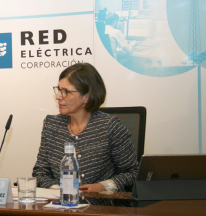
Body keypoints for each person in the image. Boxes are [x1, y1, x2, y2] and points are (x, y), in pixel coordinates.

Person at [32, 63, 138, 192]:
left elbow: (133, 172)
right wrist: (59, 190)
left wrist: (103, 186)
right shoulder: (52, 125)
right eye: (59, 90)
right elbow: (40, 173)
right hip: (59, 206)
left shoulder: (109, 127)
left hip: (99, 206)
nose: (58, 96)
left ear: (86, 97)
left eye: (66, 92)